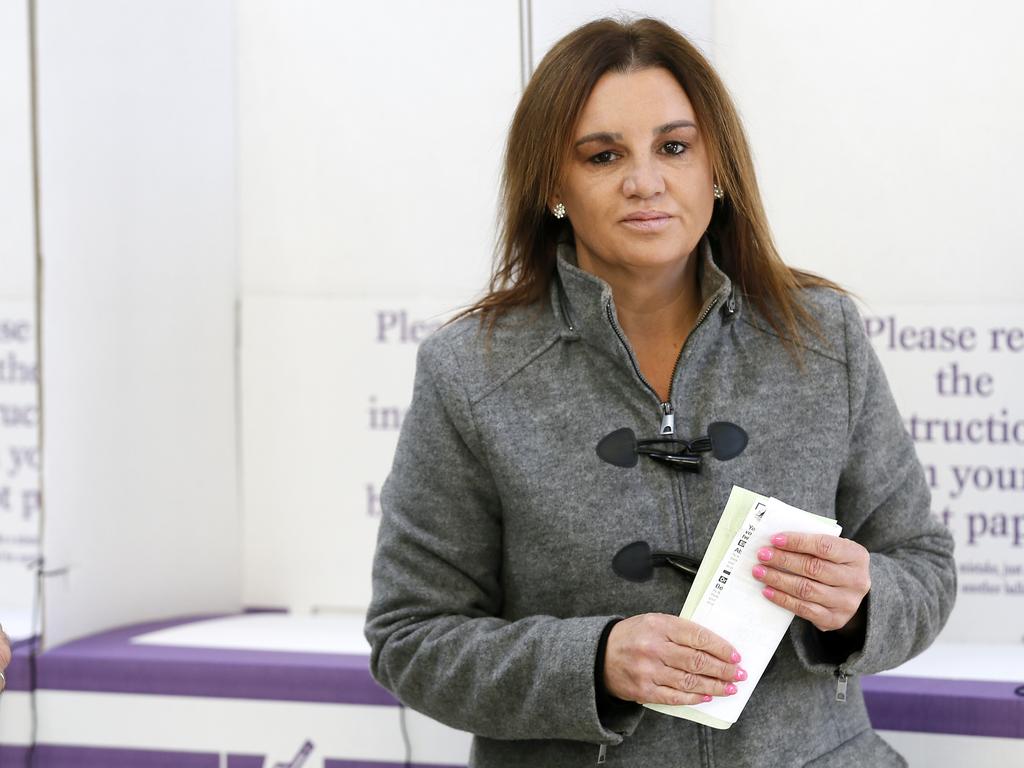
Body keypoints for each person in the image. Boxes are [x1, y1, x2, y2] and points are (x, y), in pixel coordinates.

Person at [364, 17, 956, 768]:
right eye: (604, 155)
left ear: (716, 168)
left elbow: (923, 565)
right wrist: (595, 660)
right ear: (554, 184)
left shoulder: (822, 335)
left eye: (674, 147)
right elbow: (410, 638)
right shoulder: (470, 371)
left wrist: (863, 604)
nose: (645, 181)